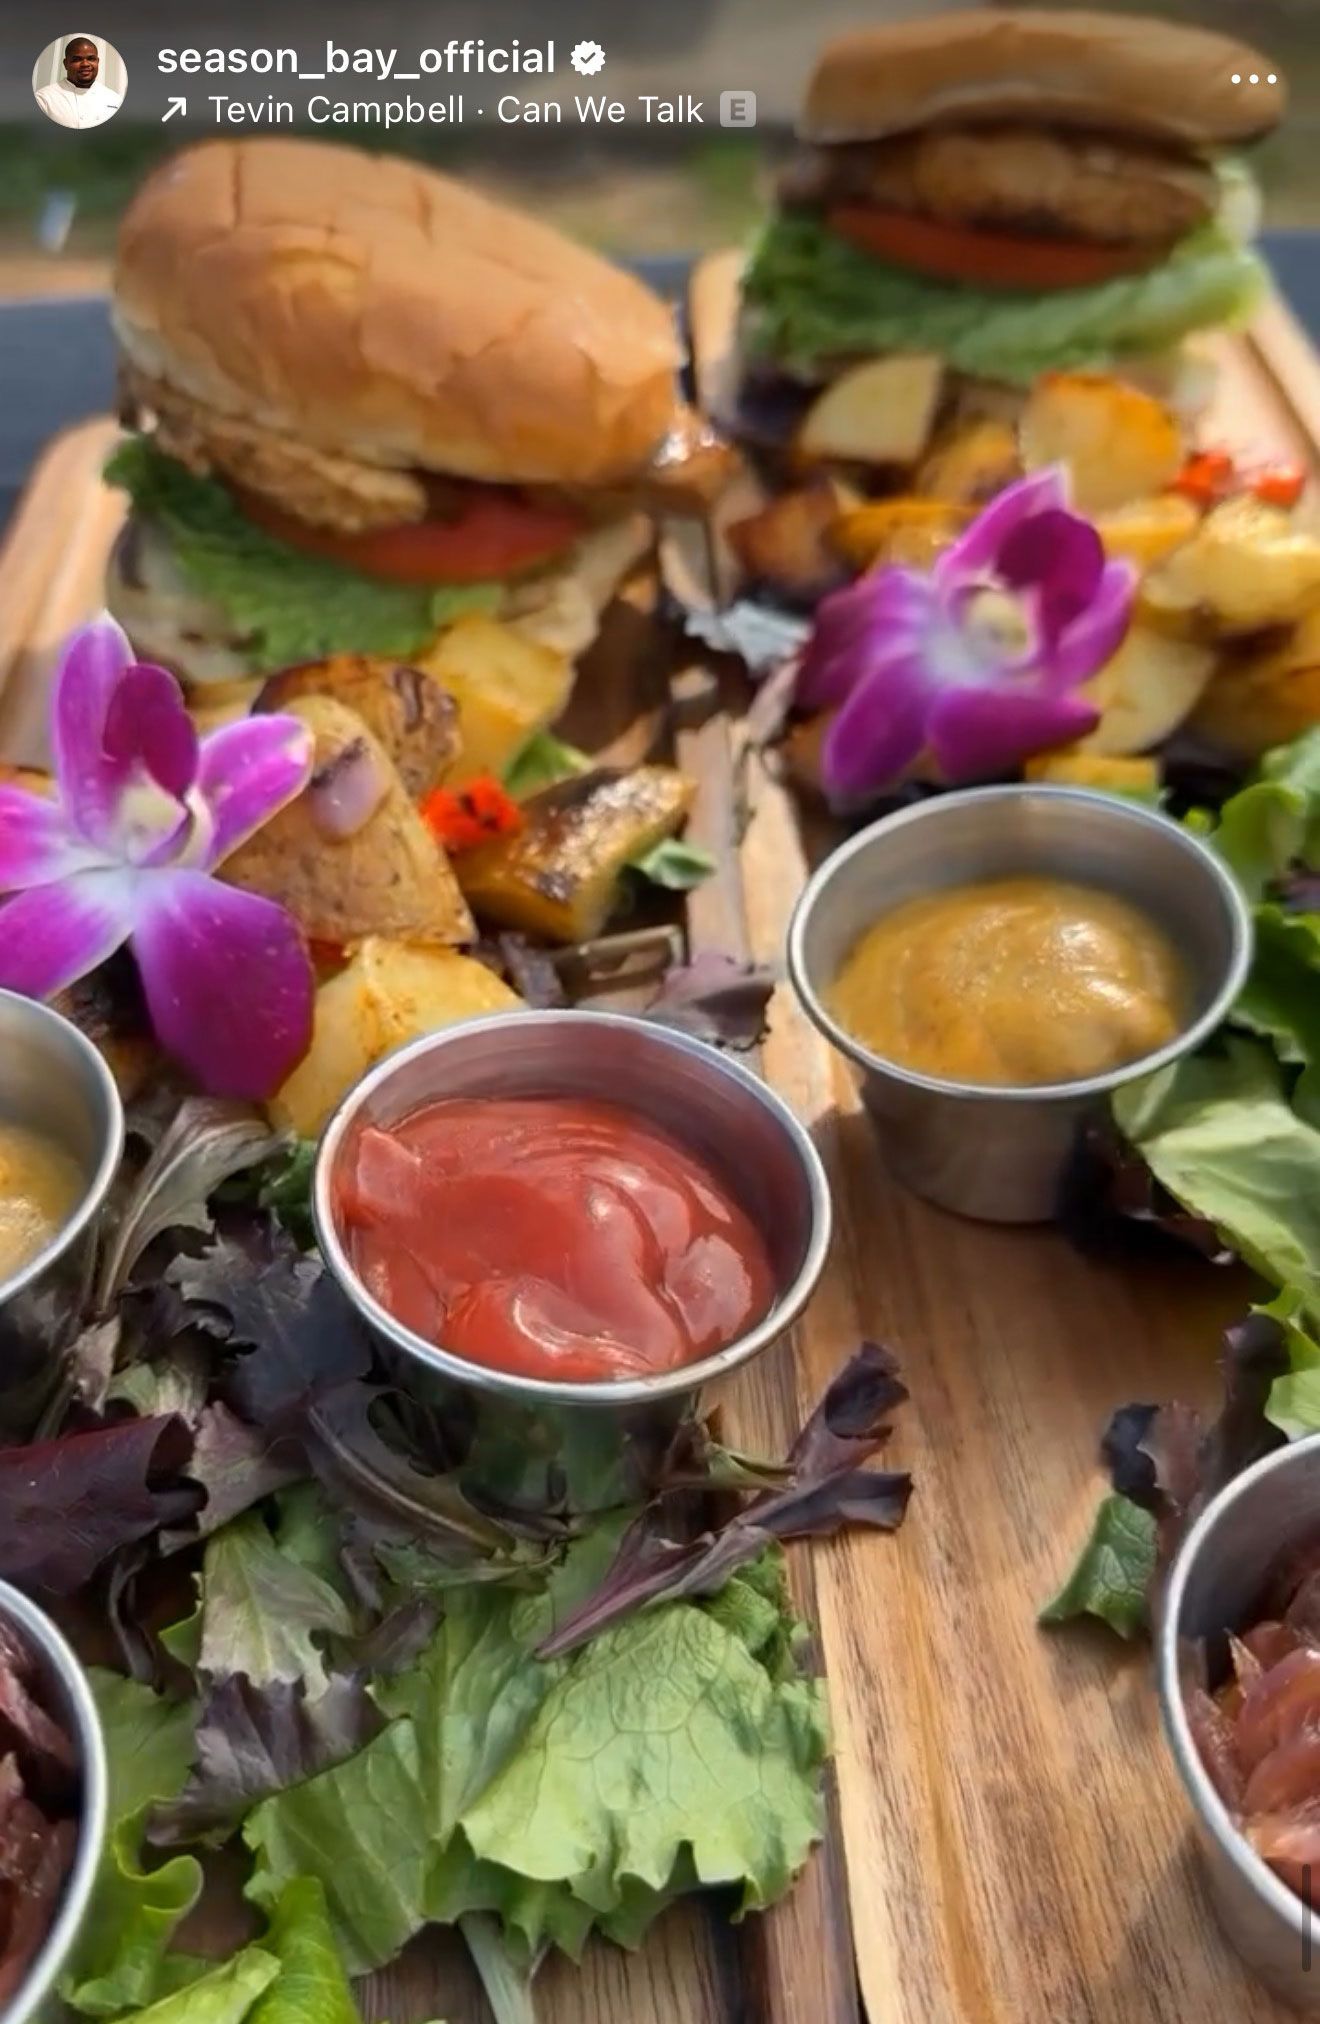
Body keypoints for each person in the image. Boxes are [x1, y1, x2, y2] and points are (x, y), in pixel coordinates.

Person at [35, 37, 122, 129]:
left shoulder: (114, 99)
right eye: (77, 59)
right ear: (66, 64)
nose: (85, 64)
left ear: (97, 61)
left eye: (91, 58)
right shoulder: (44, 99)